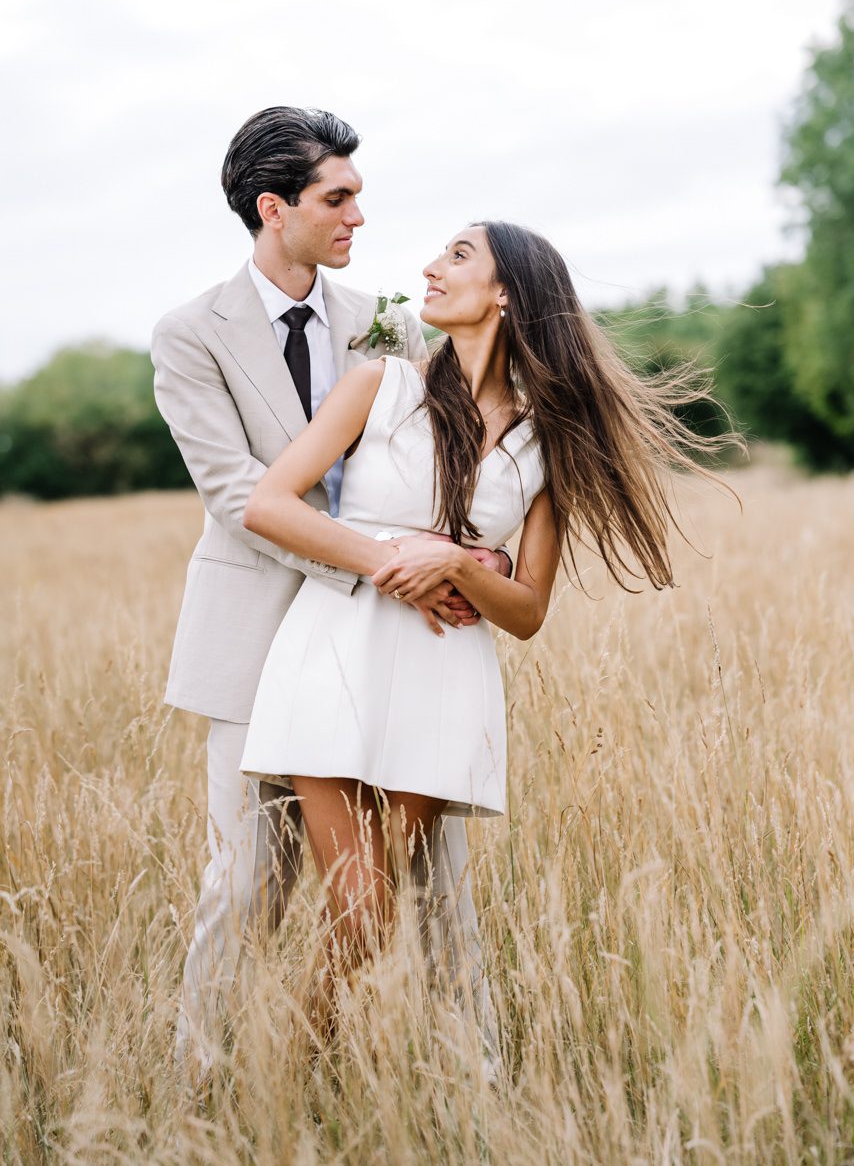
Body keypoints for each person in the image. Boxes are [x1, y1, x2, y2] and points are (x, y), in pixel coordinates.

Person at [239, 219, 738, 1005]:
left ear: (506, 294)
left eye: (458, 255)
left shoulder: (551, 442)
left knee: (364, 931)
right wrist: (399, 556)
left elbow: (529, 609)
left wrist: (455, 567)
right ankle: (279, 1097)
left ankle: (300, 1097)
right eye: (439, 254)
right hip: (335, 655)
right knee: (361, 911)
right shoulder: (380, 385)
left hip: (443, 680)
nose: (432, 268)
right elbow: (267, 506)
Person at [151, 107, 509, 1083]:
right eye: (336, 197)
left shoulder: (384, 322)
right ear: (274, 208)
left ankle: (475, 1076)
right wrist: (383, 566)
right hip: (253, 640)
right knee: (249, 882)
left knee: (436, 879)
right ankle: (204, 1082)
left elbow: (446, 454)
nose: (359, 213)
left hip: (388, 646)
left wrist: (475, 557)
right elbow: (236, 497)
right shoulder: (189, 336)